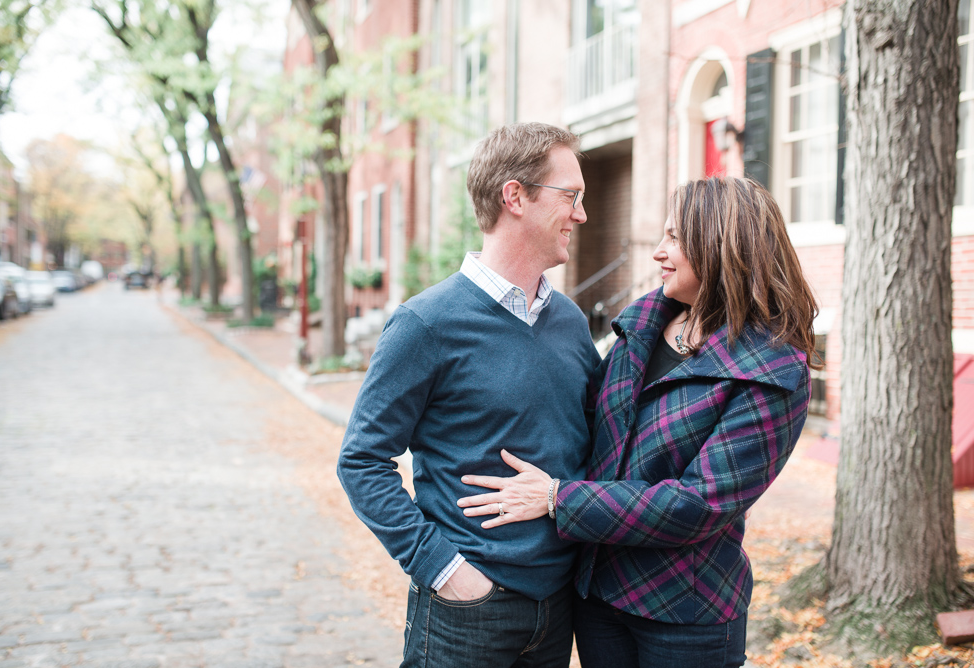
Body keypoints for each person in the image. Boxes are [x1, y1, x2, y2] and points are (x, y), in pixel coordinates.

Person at [458, 176, 819, 668]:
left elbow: (700, 503)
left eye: (675, 238)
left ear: (719, 246)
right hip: (597, 594)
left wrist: (555, 497)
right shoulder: (641, 325)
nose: (658, 252)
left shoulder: (770, 370)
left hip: (684, 610)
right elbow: (585, 420)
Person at [337, 122, 601, 668]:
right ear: (515, 197)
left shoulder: (571, 323)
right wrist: (444, 570)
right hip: (465, 614)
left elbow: (597, 443)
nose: (581, 214)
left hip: (559, 608)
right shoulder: (425, 325)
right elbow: (362, 460)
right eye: (570, 196)